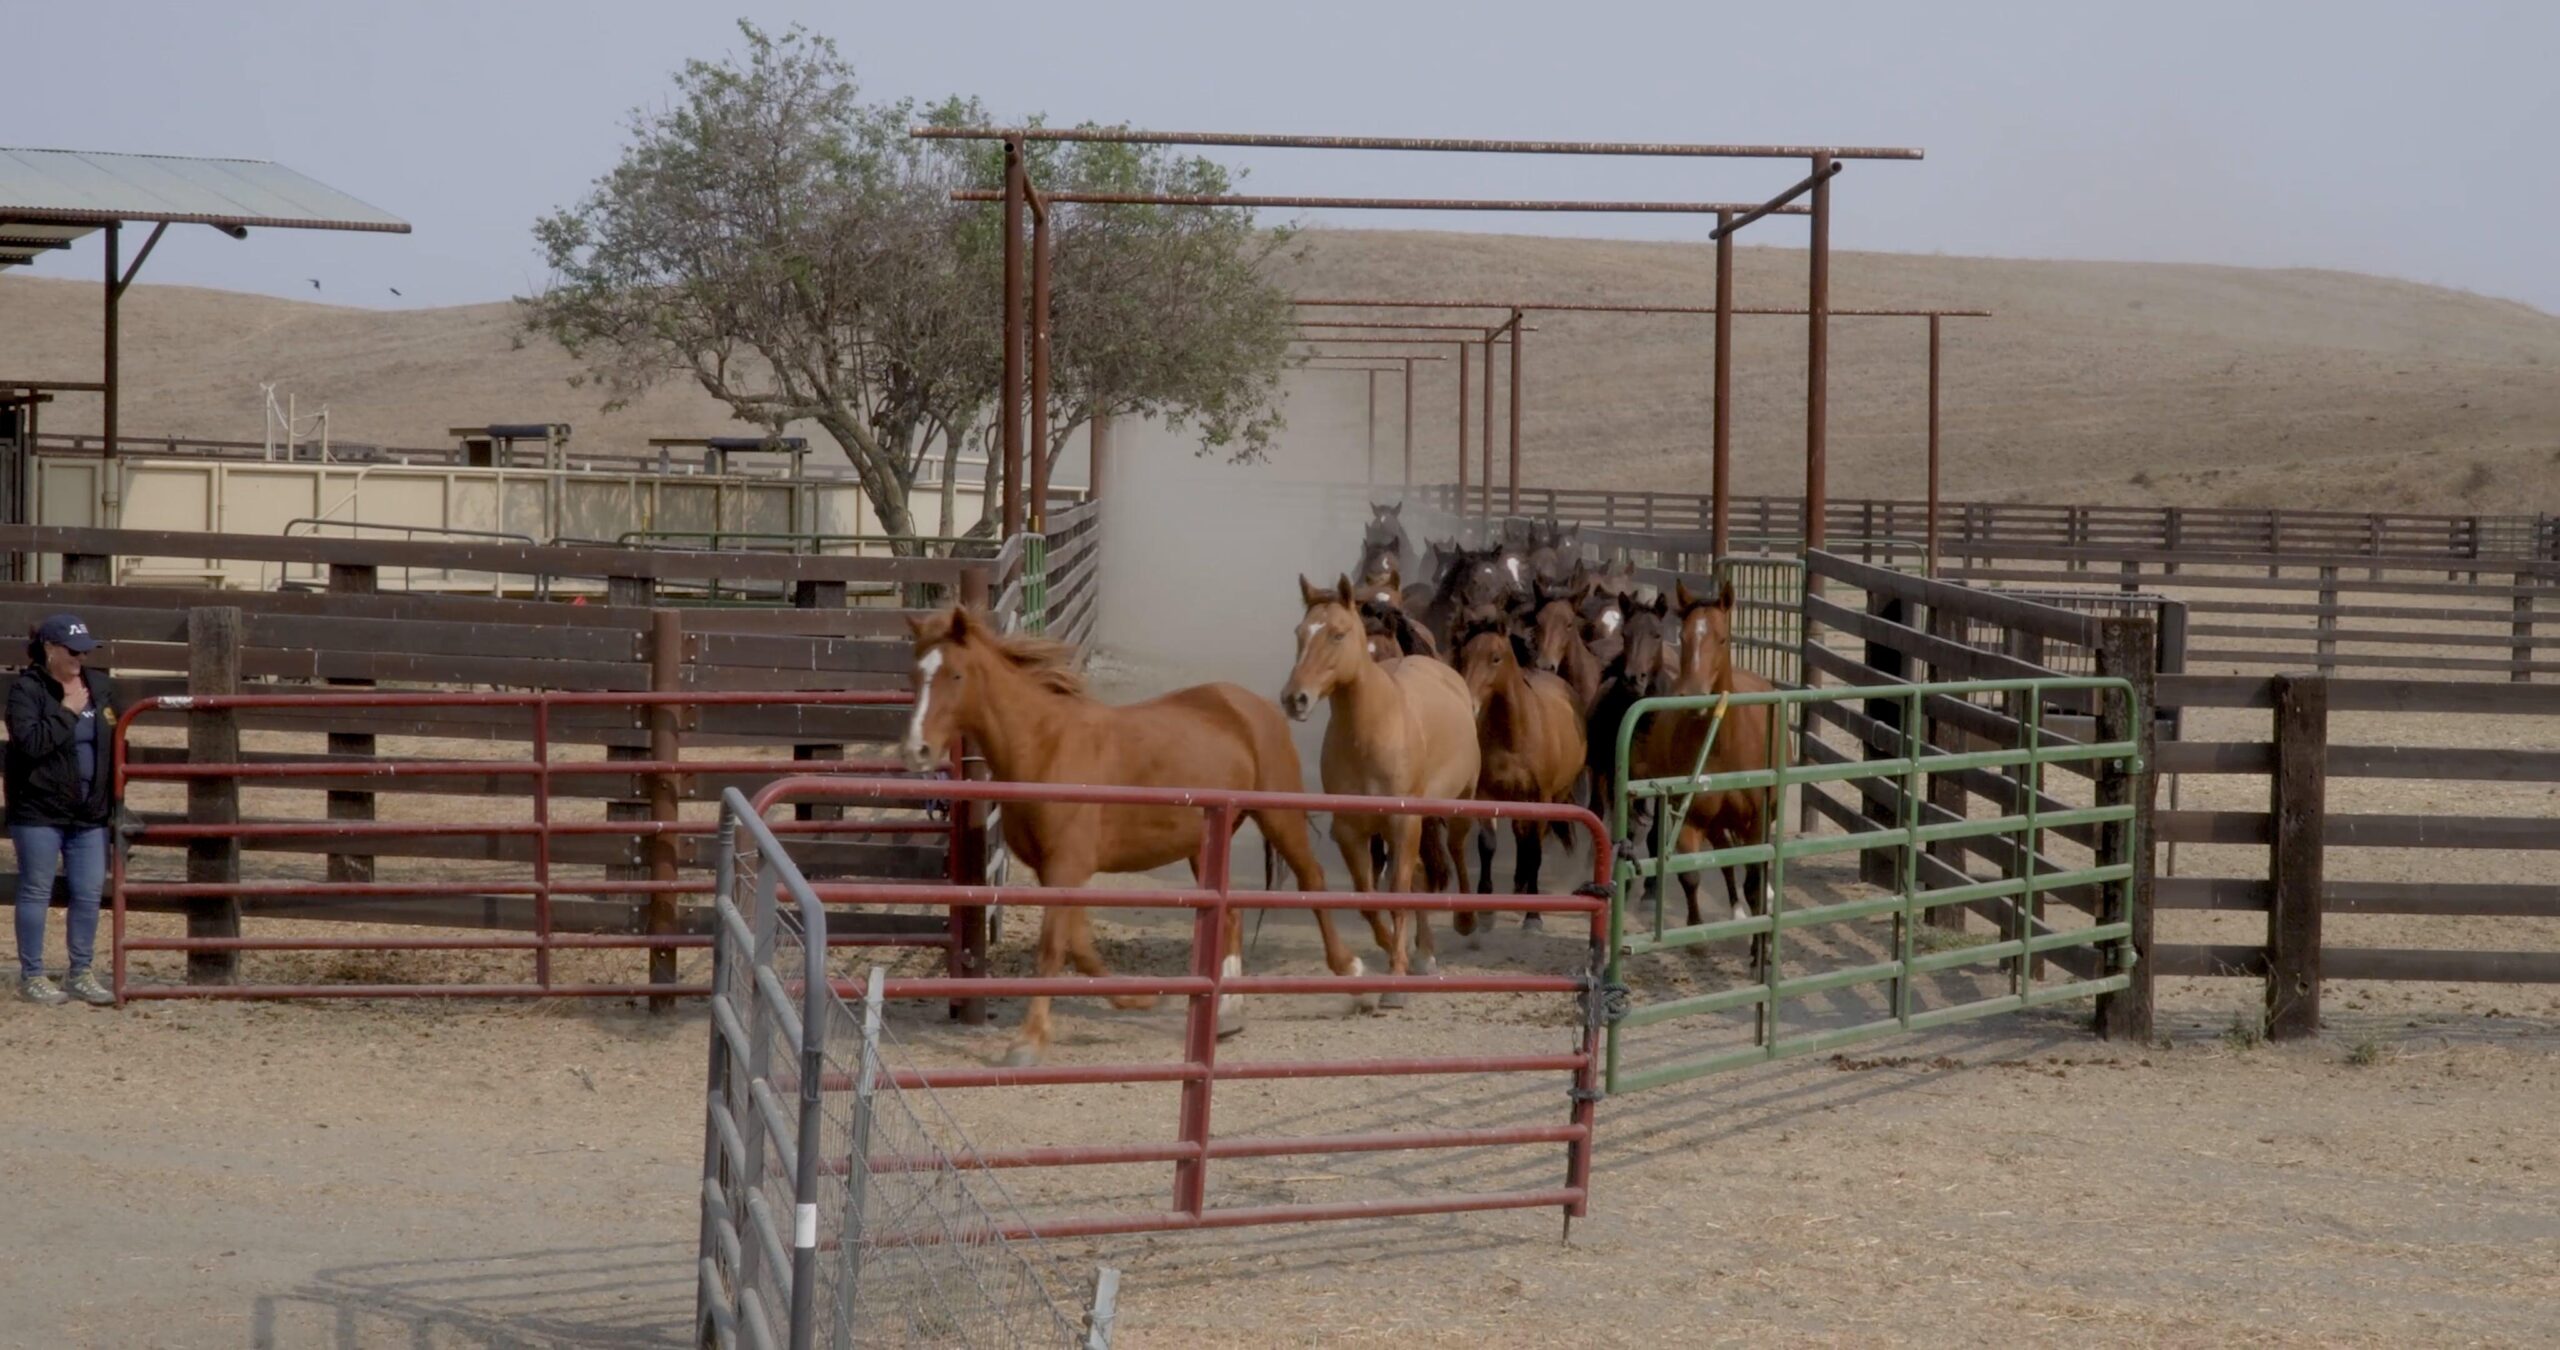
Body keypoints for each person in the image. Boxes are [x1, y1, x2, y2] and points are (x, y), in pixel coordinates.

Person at [8, 613, 118, 1006]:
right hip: (39, 809)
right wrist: (68, 711)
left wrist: (115, 801)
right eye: (73, 651)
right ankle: (33, 975)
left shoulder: (100, 687)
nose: (80, 658)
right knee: (36, 890)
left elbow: (112, 744)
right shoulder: (27, 692)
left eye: (85, 651)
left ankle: (81, 971)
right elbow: (31, 743)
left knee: (88, 893)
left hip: (89, 813)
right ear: (50, 649)